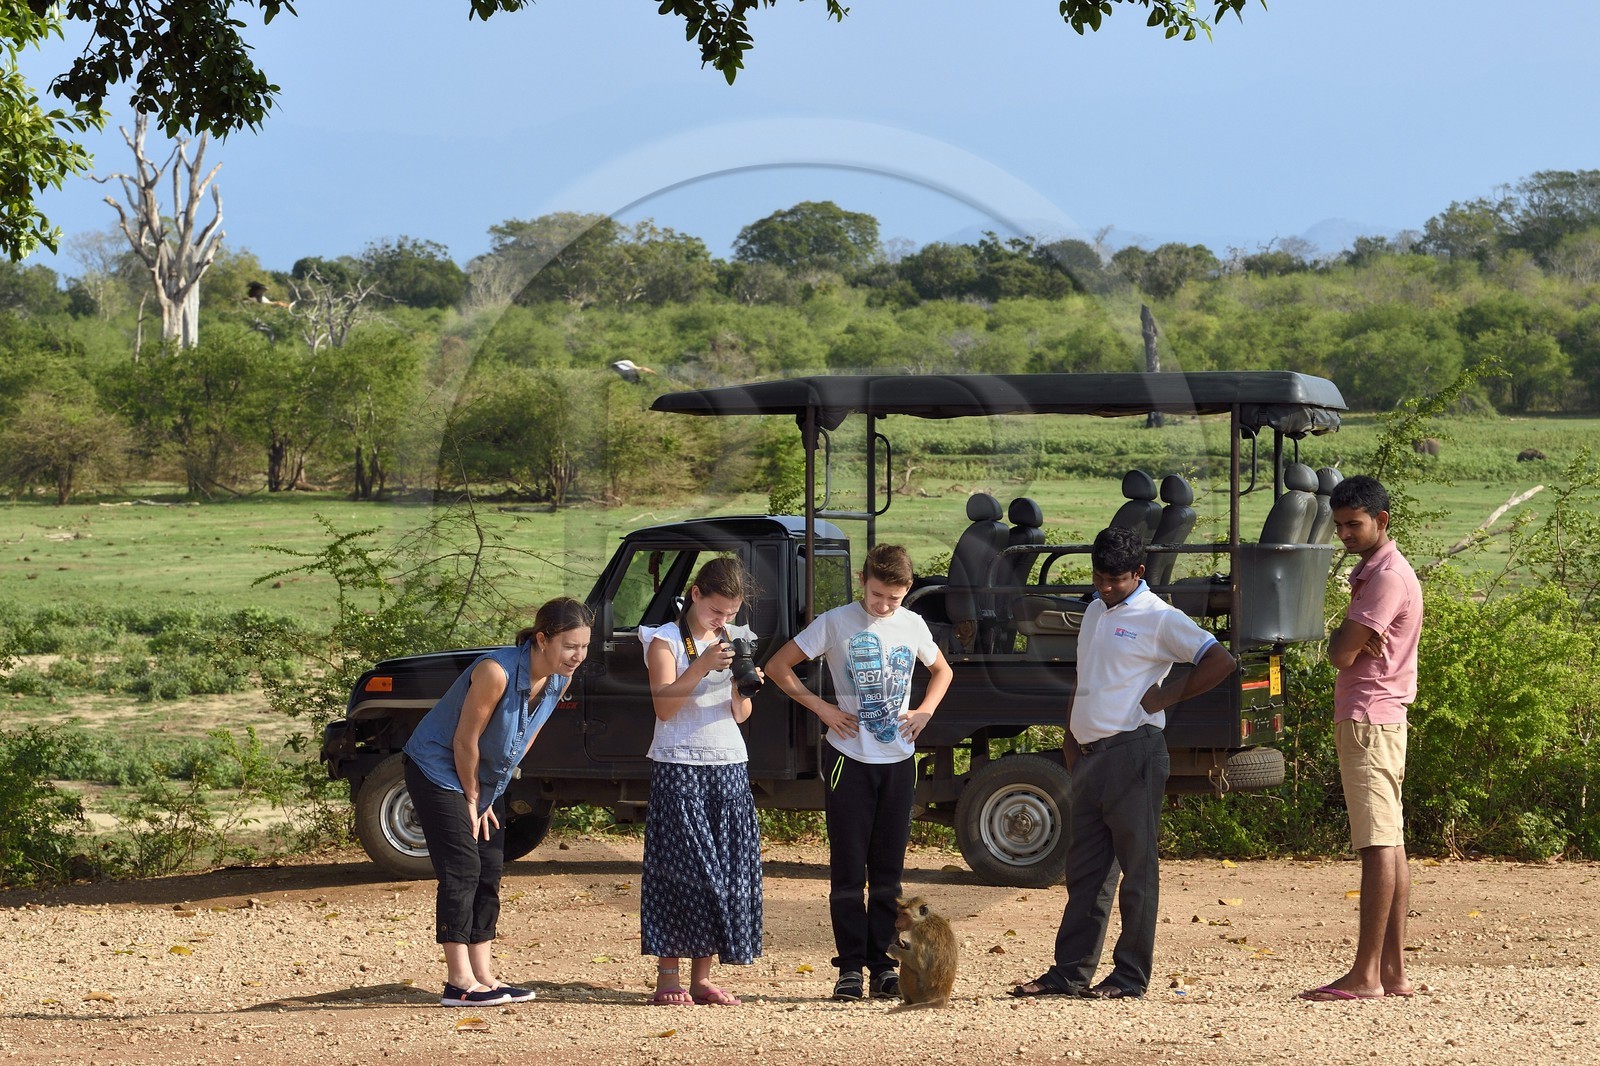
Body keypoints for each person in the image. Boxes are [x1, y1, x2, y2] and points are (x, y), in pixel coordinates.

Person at [1013, 526, 1235, 1001]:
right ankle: (1069, 973)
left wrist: (1165, 695)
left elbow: (1219, 660)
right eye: (1099, 577)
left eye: (1116, 579)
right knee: (1086, 871)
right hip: (1091, 757)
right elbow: (1084, 674)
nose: (1105, 587)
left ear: (1139, 572)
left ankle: (1130, 975)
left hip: (1134, 753)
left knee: (1137, 870)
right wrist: (1071, 735)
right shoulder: (1094, 609)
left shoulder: (1159, 617)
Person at [765, 544, 954, 1002]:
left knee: (888, 875)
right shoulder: (835, 621)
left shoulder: (912, 624)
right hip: (847, 761)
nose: (883, 605)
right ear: (862, 582)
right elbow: (777, 666)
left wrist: (925, 711)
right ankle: (849, 968)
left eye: (893, 597)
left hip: (897, 762)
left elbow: (942, 670)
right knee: (848, 873)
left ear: (907, 590)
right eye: (875, 595)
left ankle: (883, 967)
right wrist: (822, 708)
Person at [401, 597, 593, 1007]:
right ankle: (458, 983)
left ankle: (484, 977)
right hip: (437, 767)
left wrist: (490, 792)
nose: (578, 656)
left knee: (489, 865)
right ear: (542, 639)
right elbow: (463, 740)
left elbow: (526, 738)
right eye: (570, 646)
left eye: (584, 647)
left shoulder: (560, 678)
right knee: (463, 866)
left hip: (481, 776)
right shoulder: (496, 671)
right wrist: (473, 796)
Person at [1300, 475, 1422, 1002]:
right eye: (1341, 525)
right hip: (1382, 715)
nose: (1346, 533)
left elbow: (1340, 653)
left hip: (1369, 715)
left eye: (1355, 524)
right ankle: (1390, 972)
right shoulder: (1377, 572)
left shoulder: (1386, 578)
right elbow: (1350, 645)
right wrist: (1350, 639)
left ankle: (1366, 974)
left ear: (1381, 521)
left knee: (1376, 845)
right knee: (1389, 841)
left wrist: (1342, 637)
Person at [639, 556, 765, 1007]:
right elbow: (664, 707)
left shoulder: (736, 640)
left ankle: (703, 977)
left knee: (724, 873)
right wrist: (703, 664)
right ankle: (668, 975)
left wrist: (740, 684)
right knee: (681, 872)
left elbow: (742, 715)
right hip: (678, 764)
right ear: (695, 594)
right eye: (716, 612)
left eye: (730, 614)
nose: (723, 621)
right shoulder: (664, 641)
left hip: (729, 764)